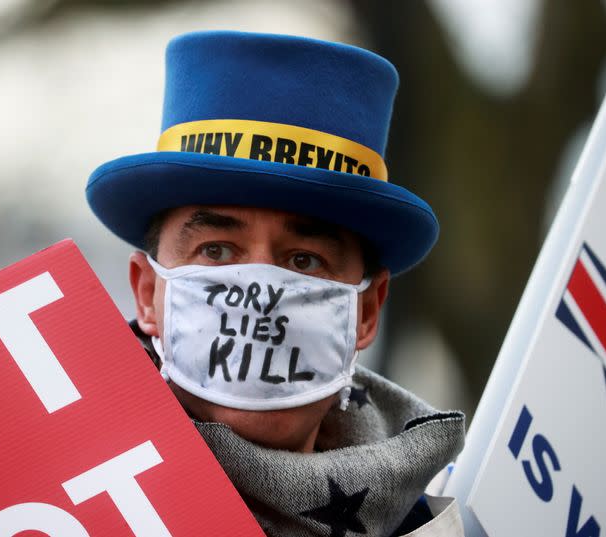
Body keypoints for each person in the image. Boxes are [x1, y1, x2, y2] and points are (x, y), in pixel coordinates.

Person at [87, 30, 465, 537]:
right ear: (147, 292)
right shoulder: (43, 495)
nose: (261, 290)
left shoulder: (439, 526)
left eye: (304, 261)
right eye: (216, 250)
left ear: (367, 311)